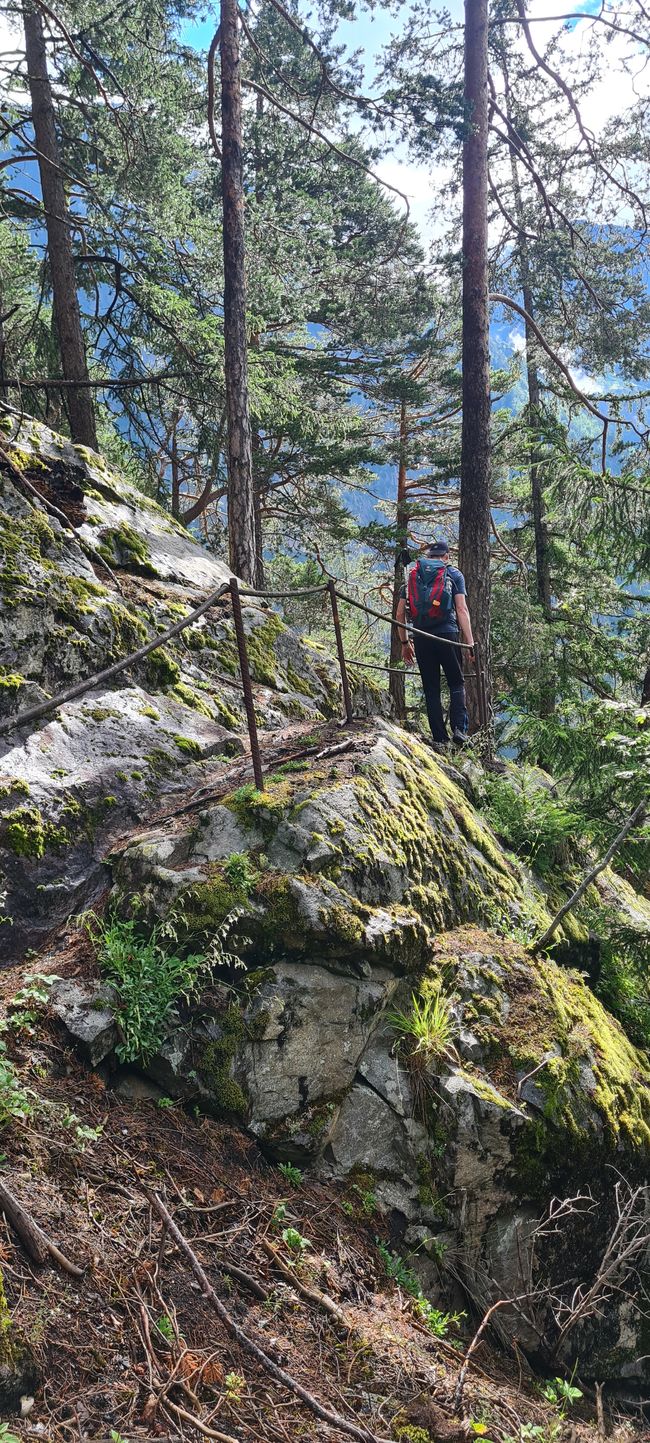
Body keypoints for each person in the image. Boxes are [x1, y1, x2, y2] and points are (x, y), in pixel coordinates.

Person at [396, 540, 474, 748]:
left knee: (431, 689)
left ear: (429, 556)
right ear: (446, 556)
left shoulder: (413, 576)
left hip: (421, 637)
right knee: (456, 683)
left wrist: (405, 642)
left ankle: (440, 738)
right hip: (447, 635)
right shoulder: (454, 575)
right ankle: (459, 730)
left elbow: (400, 614)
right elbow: (462, 610)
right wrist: (470, 642)